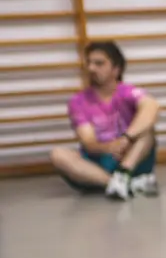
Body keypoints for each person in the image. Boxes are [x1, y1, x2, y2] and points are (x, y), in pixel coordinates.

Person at [51, 40, 160, 200]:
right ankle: (120, 183)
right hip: (99, 163)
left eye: (99, 63)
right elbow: (89, 143)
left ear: (116, 69)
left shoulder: (128, 91)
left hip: (131, 158)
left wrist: (126, 139)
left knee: (147, 130)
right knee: (58, 154)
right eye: (89, 63)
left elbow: (152, 106)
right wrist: (110, 147)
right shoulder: (78, 101)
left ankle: (123, 175)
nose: (91, 68)